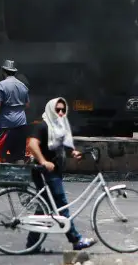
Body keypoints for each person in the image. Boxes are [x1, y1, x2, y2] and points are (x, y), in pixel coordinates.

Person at [26, 98, 97, 251]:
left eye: (63, 110)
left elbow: (62, 146)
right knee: (62, 205)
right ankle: (76, 240)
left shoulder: (59, 127)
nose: (60, 112)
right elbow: (32, 144)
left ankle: (32, 245)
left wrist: (74, 153)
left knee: (43, 210)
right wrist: (44, 161)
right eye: (57, 109)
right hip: (45, 173)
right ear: (51, 109)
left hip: (54, 171)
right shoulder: (43, 126)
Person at [0, 60, 29, 186]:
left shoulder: (1, 85)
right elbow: (27, 104)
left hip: (6, 123)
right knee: (19, 154)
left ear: (4, 72)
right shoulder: (23, 85)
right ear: (14, 72)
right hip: (21, 123)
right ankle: (20, 178)